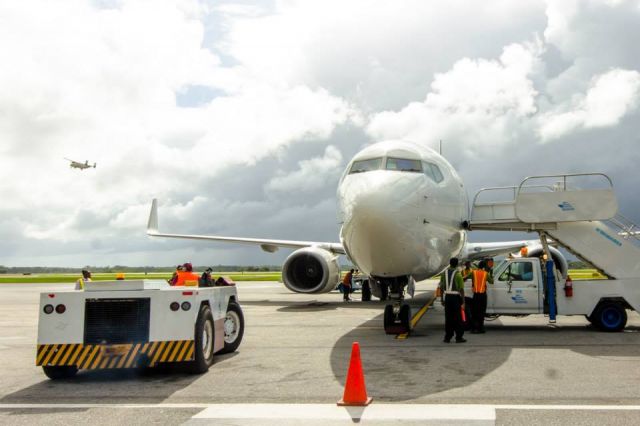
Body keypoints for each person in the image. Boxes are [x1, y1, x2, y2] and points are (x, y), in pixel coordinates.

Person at [439, 258, 466, 343]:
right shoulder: (458, 275)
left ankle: (447, 337)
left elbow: (441, 288)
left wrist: (442, 299)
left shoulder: (444, 274)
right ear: (457, 264)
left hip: (447, 297)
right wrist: (463, 302)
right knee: (458, 319)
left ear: (449, 264)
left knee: (448, 318)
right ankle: (459, 337)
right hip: (455, 299)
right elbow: (461, 289)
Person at [471, 260, 493, 333]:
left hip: (476, 295)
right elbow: (491, 282)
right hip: (483, 295)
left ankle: (474, 328)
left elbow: (465, 277)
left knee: (474, 312)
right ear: (484, 266)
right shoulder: (486, 273)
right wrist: (491, 273)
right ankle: (481, 328)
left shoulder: (473, 272)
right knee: (481, 312)